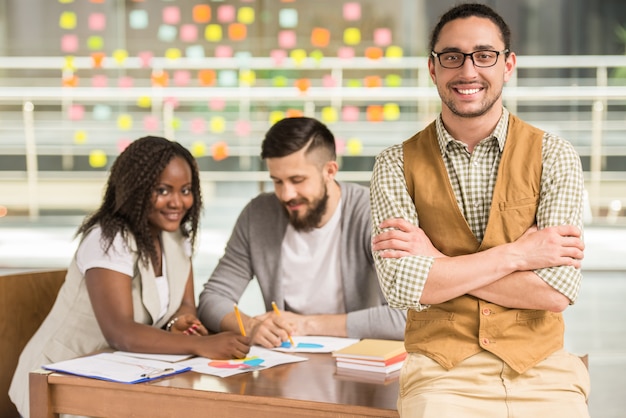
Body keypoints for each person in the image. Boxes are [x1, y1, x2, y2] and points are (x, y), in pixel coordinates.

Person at [369, 3, 590, 417]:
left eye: (484, 55)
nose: (468, 71)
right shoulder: (394, 164)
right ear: (433, 68)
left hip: (543, 370)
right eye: (452, 57)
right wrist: (519, 255)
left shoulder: (555, 155)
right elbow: (402, 288)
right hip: (440, 374)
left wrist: (437, 263)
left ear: (508, 65)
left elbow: (556, 292)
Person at [9, 136, 250, 417]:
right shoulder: (109, 239)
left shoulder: (176, 238)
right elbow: (120, 331)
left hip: (124, 375)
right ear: (136, 189)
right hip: (60, 380)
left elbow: (186, 305)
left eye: (186, 190)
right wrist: (202, 344)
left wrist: (182, 322)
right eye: (163, 190)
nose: (178, 202)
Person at [197, 116, 406, 348]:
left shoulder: (373, 213)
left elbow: (406, 315)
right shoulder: (258, 215)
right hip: (284, 363)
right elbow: (212, 298)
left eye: (297, 180)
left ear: (330, 171)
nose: (286, 195)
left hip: (359, 365)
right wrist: (250, 325)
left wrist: (306, 325)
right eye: (277, 181)